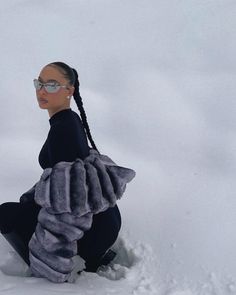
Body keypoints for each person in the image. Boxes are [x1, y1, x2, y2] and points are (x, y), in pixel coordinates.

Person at [0, 61, 121, 273]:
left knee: (5, 215)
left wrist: (52, 258)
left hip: (92, 230)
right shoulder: (68, 120)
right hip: (106, 221)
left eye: (52, 85)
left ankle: (46, 265)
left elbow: (69, 207)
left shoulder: (62, 131)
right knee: (25, 202)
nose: (42, 91)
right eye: (39, 83)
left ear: (69, 91)